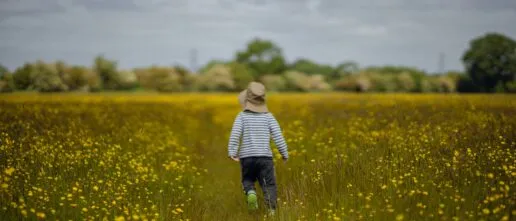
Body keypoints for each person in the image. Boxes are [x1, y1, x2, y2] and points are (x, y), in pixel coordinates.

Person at [227, 81, 289, 215]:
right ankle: (271, 211)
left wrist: (232, 151)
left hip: (246, 157)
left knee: (248, 179)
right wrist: (284, 153)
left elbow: (235, 134)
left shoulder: (242, 116)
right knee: (269, 185)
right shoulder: (269, 117)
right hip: (265, 157)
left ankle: (250, 192)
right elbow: (278, 136)